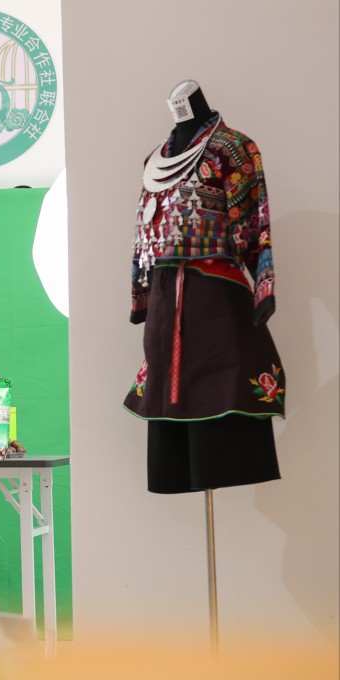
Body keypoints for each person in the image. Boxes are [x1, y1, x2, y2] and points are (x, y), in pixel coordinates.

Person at [124, 80, 283, 493]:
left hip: (214, 299)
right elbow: (143, 235)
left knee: (220, 399)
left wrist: (264, 283)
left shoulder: (234, 148)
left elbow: (256, 220)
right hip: (163, 304)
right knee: (169, 408)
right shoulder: (154, 160)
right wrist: (141, 292)